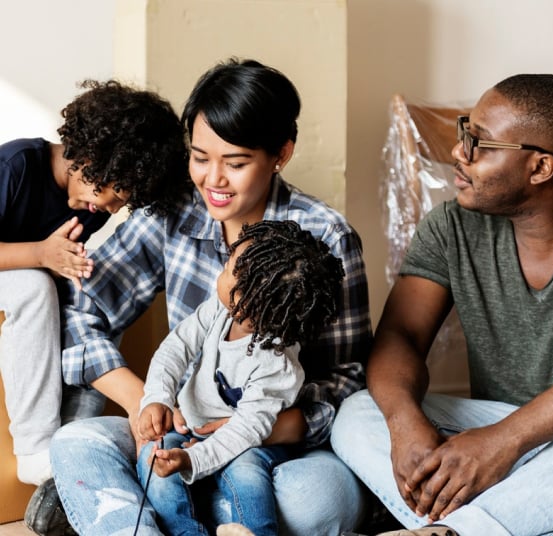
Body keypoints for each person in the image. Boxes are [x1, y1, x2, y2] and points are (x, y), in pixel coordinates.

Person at [38, 58, 372, 536]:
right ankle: (188, 517)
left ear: (282, 152)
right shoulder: (173, 213)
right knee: (77, 444)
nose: (213, 180)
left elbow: (348, 378)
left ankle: (132, 507)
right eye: (199, 157)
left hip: (271, 446)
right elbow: (79, 309)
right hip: (176, 421)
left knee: (319, 500)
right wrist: (145, 402)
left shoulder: (325, 237)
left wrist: (262, 428)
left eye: (235, 163)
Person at [331, 73, 553, 536]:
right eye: (464, 131)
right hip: (492, 433)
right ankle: (508, 520)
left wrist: (504, 443)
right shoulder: (450, 227)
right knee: (357, 413)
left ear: (540, 168)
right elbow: (402, 335)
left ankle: (453, 530)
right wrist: (404, 423)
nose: (459, 152)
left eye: (481, 143)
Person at [0, 79, 189, 489]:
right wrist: (40, 256)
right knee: (33, 287)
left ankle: (75, 431)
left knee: (95, 297)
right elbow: (37, 261)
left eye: (125, 200)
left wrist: (68, 269)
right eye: (115, 191)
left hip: (23, 277)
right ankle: (35, 448)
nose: (113, 207)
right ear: (91, 156)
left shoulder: (93, 204)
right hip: (16, 277)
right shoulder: (14, 167)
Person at [137, 219, 345, 536]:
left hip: (247, 441)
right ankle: (186, 532)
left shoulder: (276, 364)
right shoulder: (219, 310)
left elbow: (246, 431)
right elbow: (176, 348)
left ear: (246, 304)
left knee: (245, 472)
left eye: (228, 271)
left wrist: (192, 459)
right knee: (152, 462)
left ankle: (258, 531)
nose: (221, 270)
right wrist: (157, 397)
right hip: (192, 427)